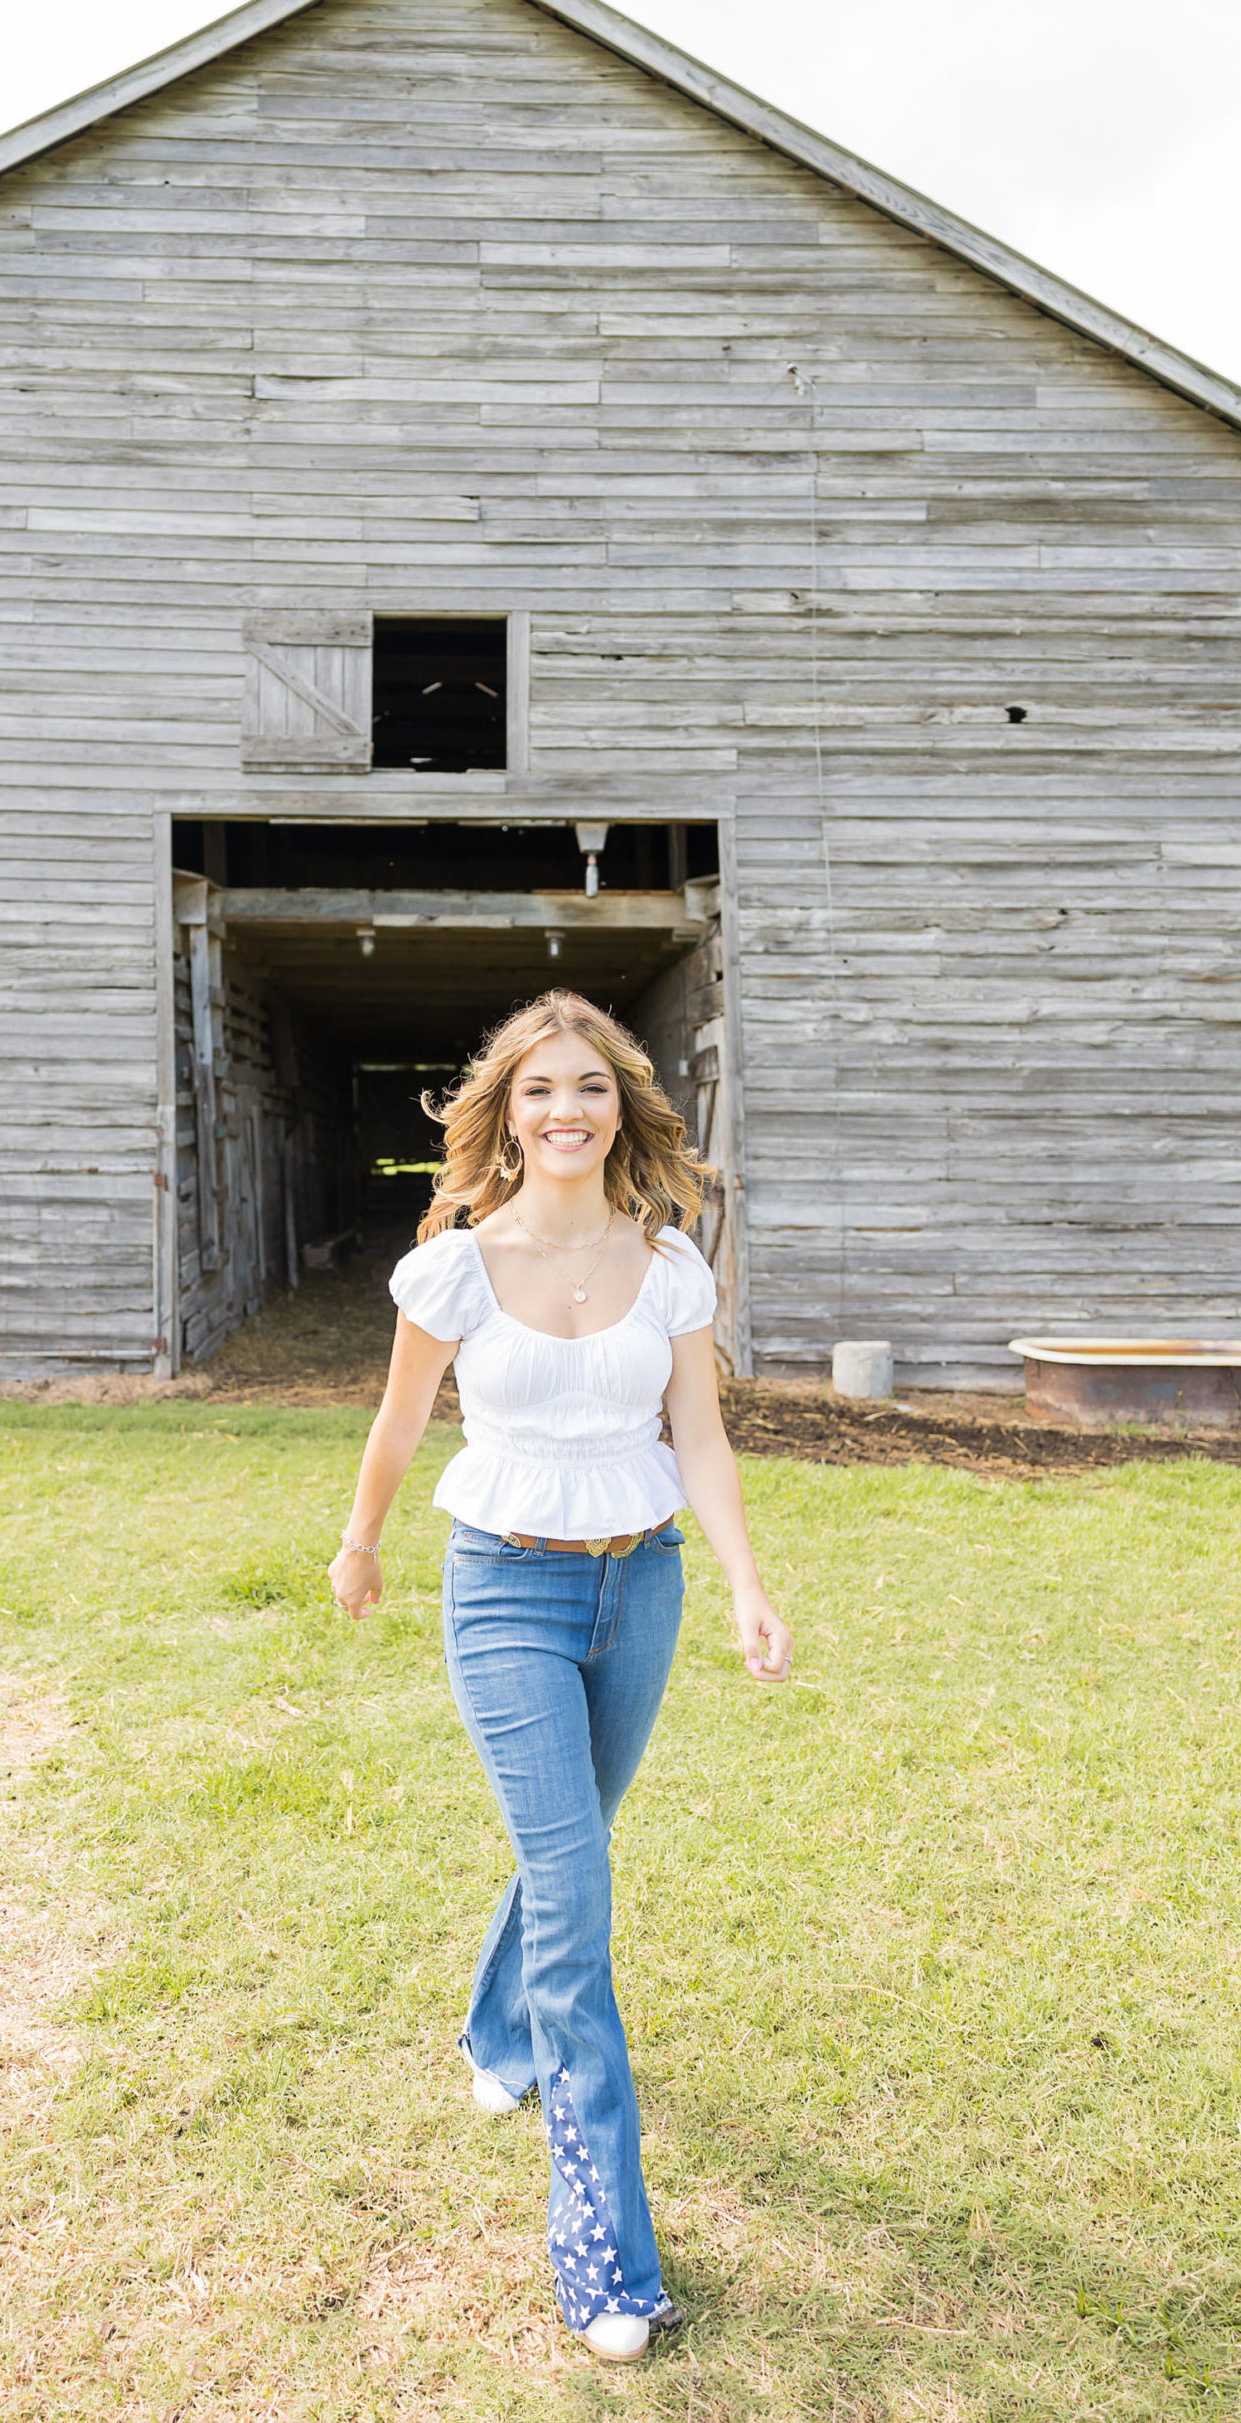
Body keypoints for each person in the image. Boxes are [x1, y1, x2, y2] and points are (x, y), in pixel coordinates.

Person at [326, 990, 792, 2363]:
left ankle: (491, 2032)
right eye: (539, 1091)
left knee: (567, 1846)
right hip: (504, 1588)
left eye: (589, 1087)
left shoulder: (668, 1268)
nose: (566, 1110)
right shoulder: (455, 1270)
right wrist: (359, 1545)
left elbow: (697, 1435)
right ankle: (606, 2259)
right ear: (504, 1114)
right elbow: (401, 1417)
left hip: (636, 1583)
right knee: (577, 1901)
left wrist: (747, 1585)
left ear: (621, 1108)